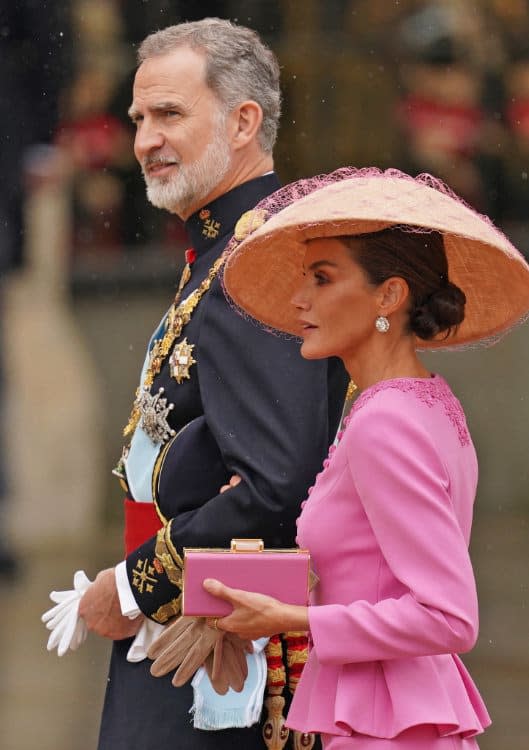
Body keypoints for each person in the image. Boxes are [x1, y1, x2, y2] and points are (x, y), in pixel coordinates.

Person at [179, 168, 529, 749]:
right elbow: (376, 572)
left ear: (388, 296)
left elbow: (448, 616)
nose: (299, 300)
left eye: (322, 279)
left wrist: (290, 620)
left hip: (390, 727)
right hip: (397, 711)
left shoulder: (385, 421)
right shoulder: (424, 401)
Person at [74, 18, 348, 750]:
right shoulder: (225, 246)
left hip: (219, 638)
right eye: (137, 119)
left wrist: (133, 584)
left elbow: (274, 482)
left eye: (168, 114)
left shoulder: (256, 263)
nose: (143, 141)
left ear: (243, 121)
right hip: (185, 614)